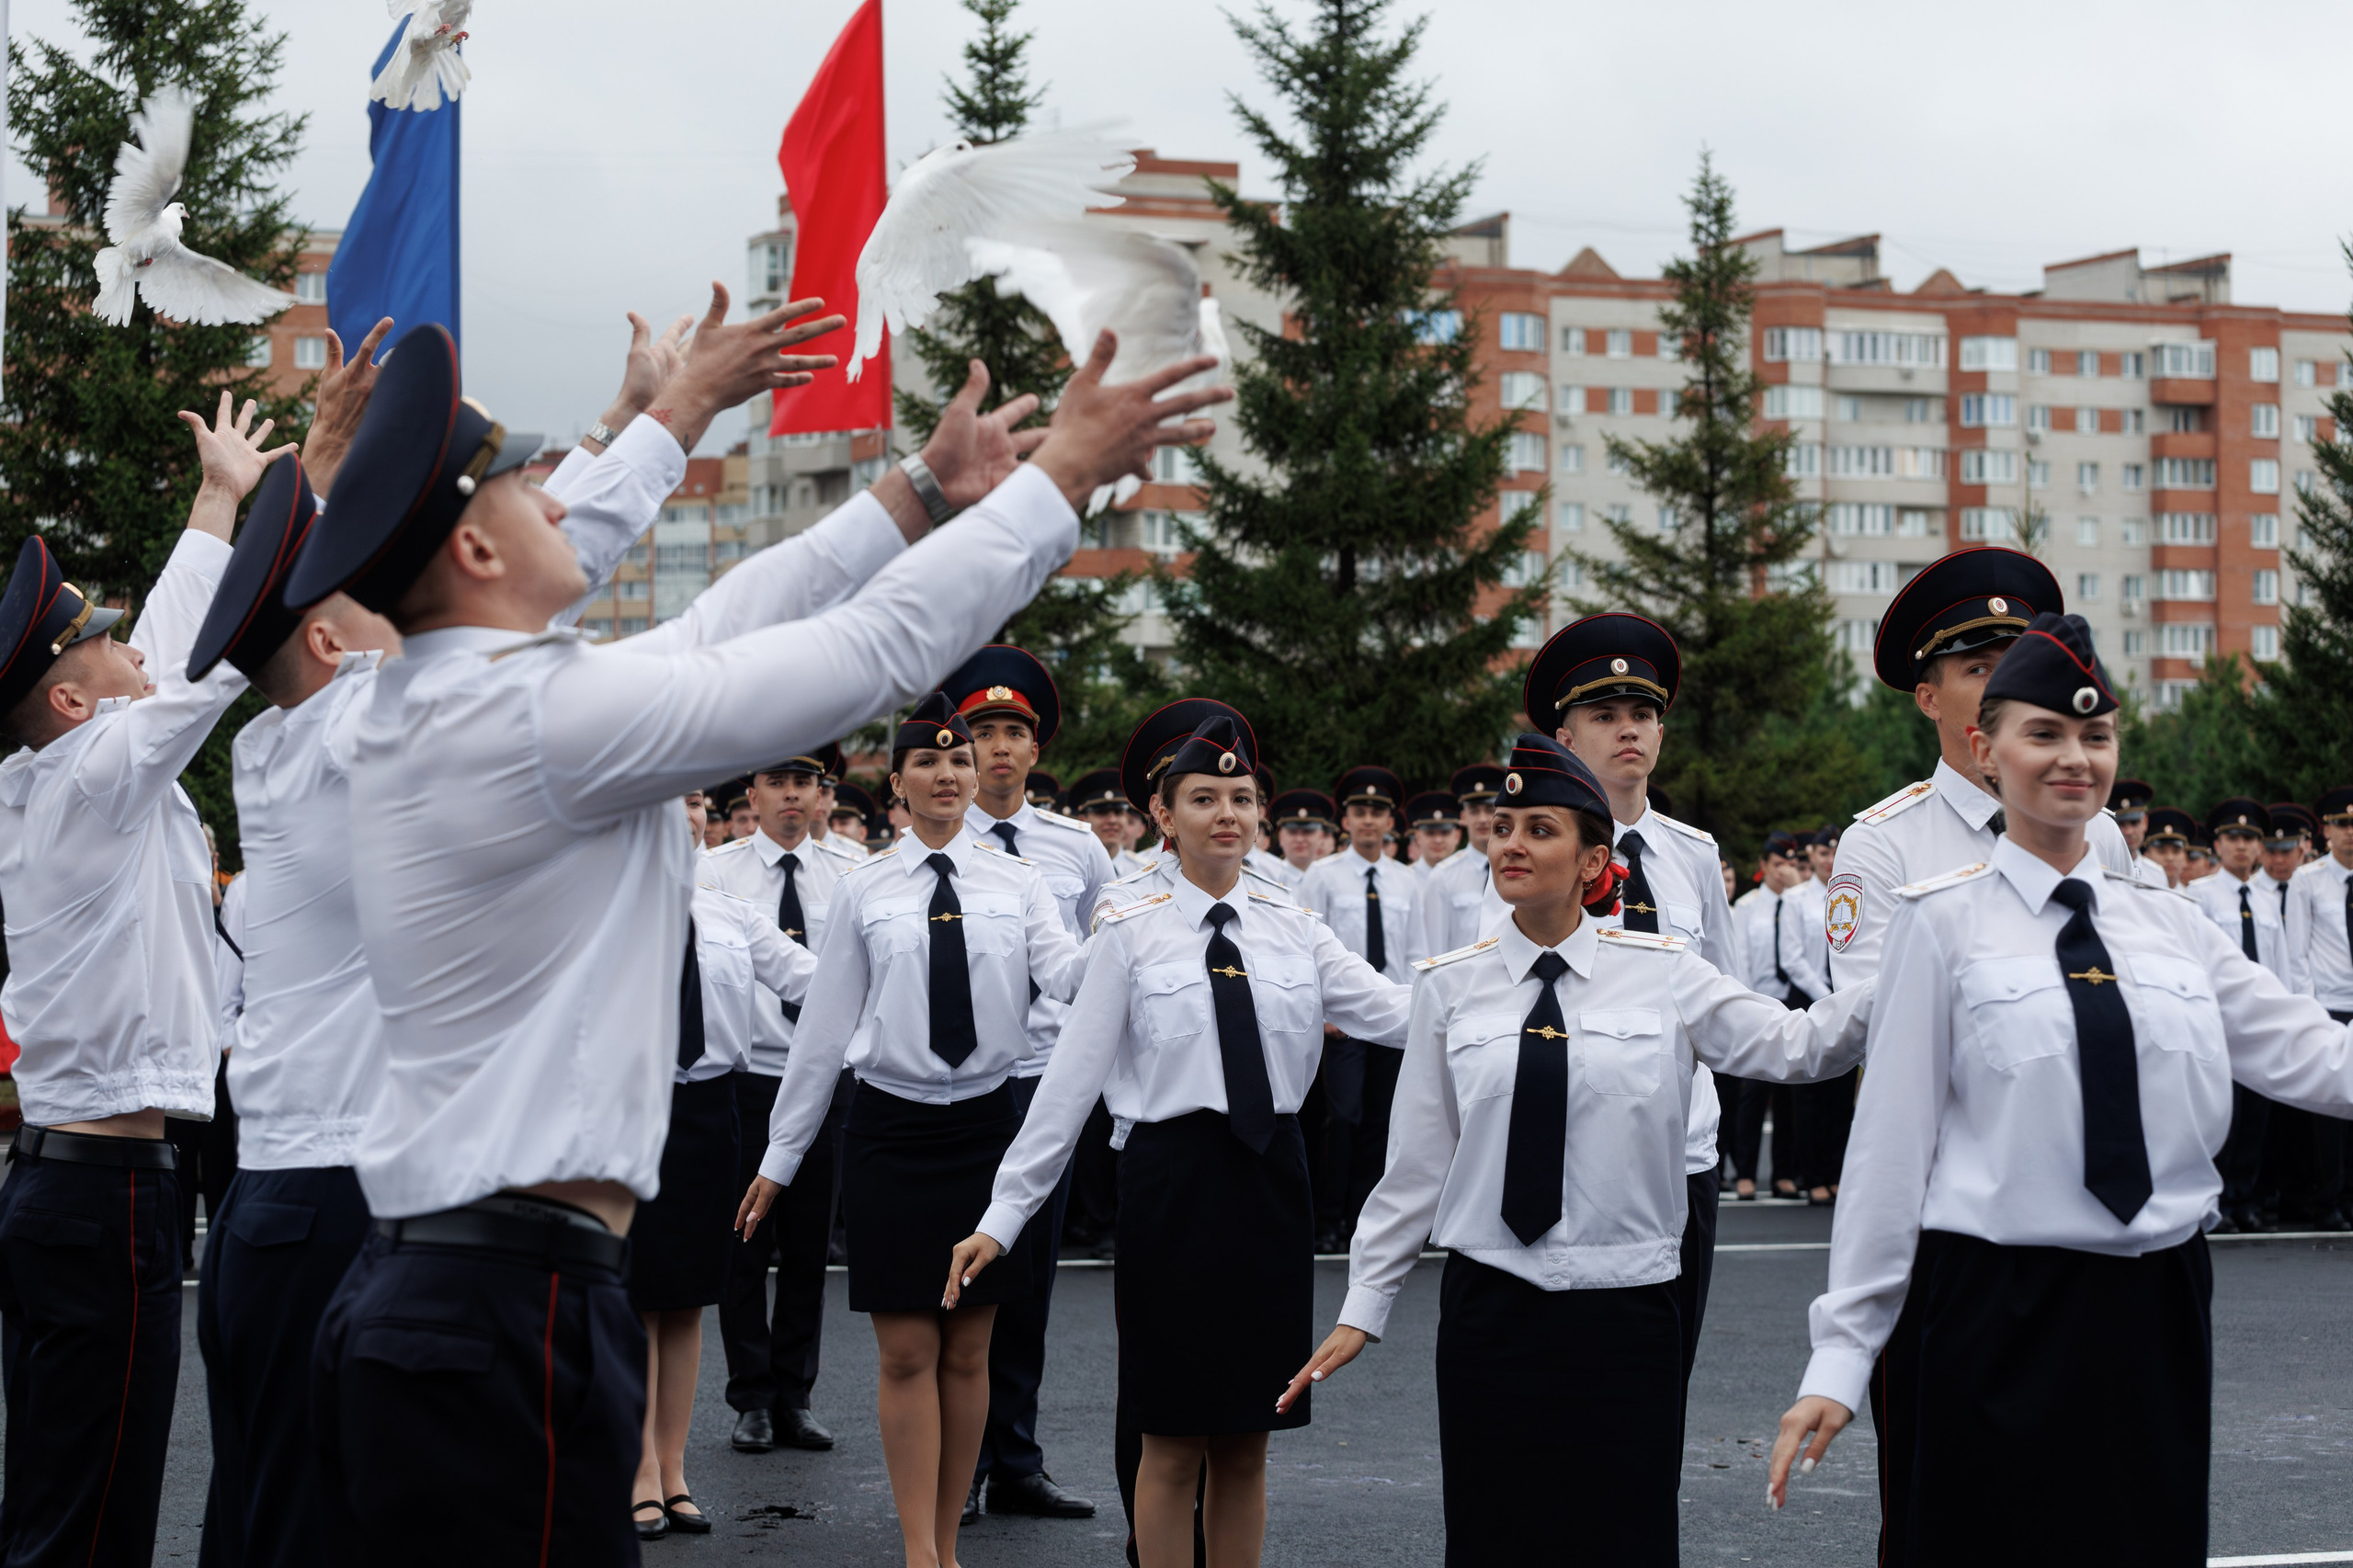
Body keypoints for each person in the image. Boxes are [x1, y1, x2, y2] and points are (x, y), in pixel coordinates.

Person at [295, 298, 1229, 1563]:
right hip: (501, 1299)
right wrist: (1062, 475)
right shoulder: (531, 718)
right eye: (529, 492)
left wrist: (919, 489)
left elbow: (725, 622)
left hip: (460, 1280)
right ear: (473, 553)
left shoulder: (447, 700)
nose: (565, 505)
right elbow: (867, 648)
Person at [188, 307, 695, 1567]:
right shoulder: (357, 731)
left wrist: (617, 428)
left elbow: (493, 561)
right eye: (355, 597)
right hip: (332, 1207)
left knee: (267, 1528)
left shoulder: (292, 740)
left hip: (282, 1205)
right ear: (321, 642)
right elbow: (501, 574)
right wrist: (654, 429)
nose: (386, 606)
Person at [1768, 613, 2353, 1565]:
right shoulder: (1941, 924)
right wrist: (1841, 1355)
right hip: (1999, 1306)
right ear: (1983, 747)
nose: (2073, 757)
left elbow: (2317, 1058)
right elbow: (1888, 1151)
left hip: (2156, 1305)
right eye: (2042, 732)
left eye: (2094, 734)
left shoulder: (2170, 927)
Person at [1290, 734, 1874, 1565]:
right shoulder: (1450, 983)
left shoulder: (1667, 971)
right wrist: (1366, 1302)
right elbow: (1418, 1161)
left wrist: (1914, 971)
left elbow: (1795, 1046)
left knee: (1623, 1535)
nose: (1512, 844)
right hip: (1492, 1307)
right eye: (1503, 827)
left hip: (1627, 1306)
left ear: (1594, 856)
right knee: (1496, 1536)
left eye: (1540, 828)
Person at [947, 701, 1412, 1568]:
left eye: (1240, 797)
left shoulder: (1297, 927)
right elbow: (1068, 1085)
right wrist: (1002, 1216)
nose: (1226, 815)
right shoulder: (1129, 929)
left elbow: (1402, 1016)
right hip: (1172, 1186)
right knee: (1170, 1440)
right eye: (1204, 798)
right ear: (1165, 816)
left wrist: (1519, 980)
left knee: (1247, 1438)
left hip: (1273, 1184)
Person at [1805, 549, 2133, 1562]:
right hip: (1953, 1212)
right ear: (1929, 694)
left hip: (2089, 1205)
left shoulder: (2107, 836)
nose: (2003, 674)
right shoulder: (1885, 846)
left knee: (2094, 1496)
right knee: (1946, 1504)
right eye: (1977, 661)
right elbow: (1865, 1018)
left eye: (2018, 652)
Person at [0, 392, 279, 1567]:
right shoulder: (88, 779)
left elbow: (164, 659)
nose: (127, 645)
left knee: (69, 1484)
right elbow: (199, 669)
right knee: (90, 1510)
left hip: (79, 1179)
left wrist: (221, 495)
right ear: (71, 699)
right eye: (99, 640)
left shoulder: (71, 773)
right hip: (103, 1187)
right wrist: (265, 508)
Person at [735, 694, 1086, 1568]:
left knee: (970, 1351)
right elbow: (822, 1033)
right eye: (928, 763)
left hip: (989, 1129)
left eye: (960, 761)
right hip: (890, 1131)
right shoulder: (864, 889)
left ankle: (950, 1550)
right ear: (897, 783)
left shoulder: (1022, 881)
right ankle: (918, 1549)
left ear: (977, 778)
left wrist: (1138, 926)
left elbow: (1072, 978)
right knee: (904, 1353)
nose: (947, 774)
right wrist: (781, 1159)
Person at [1522, 613, 1742, 1393]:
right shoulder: (1535, 854)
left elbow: (1729, 1002)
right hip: (1586, 1149)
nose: (1629, 731)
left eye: (1643, 714)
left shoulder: (1694, 854)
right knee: (1580, 1382)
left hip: (1684, 1153)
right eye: (1605, 715)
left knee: (1665, 1377)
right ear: (1566, 736)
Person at [940, 644, 1106, 1523]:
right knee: (962, 1275)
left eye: (1014, 732)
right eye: (981, 733)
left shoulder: (1075, 848)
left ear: (1036, 751)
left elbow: (1103, 962)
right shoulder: (933, 842)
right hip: (963, 1084)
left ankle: (1016, 1460)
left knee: (1030, 1282)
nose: (998, 748)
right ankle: (957, 1463)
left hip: (1045, 1081)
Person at [631, 792, 815, 1539]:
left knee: (685, 1302)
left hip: (713, 1114)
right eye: (669, 795)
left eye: (698, 799)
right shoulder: (600, 904)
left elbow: (815, 981)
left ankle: (673, 1470)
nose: (686, 810)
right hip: (630, 1113)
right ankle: (636, 1467)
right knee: (633, 1301)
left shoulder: (729, 910)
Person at [699, 744, 865, 1456]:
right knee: (743, 1244)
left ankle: (796, 1394)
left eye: (805, 781)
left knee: (806, 1247)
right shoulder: (714, 872)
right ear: (753, 792)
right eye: (778, 781)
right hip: (747, 1077)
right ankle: (751, 1398)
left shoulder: (857, 873)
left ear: (823, 793)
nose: (792, 794)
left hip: (824, 1079)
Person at [1299, 765, 1424, 1250]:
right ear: (1345, 820)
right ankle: (1330, 1218)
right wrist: (1322, 1013)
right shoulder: (1323, 875)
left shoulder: (1408, 881)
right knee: (1343, 1118)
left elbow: (1419, 952)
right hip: (1344, 1024)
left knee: (1382, 1122)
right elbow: (1305, 947)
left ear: (1390, 819)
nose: (1368, 820)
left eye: (1377, 811)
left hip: (1395, 1019)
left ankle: (1366, 1219)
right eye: (1359, 810)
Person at [2192, 800, 2299, 1233]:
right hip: (2219, 1021)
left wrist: (2287, 1012)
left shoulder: (2268, 900)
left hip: (2260, 1021)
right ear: (2217, 843)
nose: (2242, 846)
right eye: (2234, 838)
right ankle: (2216, 1201)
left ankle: (2246, 1199)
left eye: (2251, 838)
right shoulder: (2198, 896)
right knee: (2223, 1116)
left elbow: (2281, 962)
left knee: (2256, 1118)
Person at [1726, 832, 1810, 1200]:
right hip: (1758, 1003)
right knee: (1753, 1094)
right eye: (1778, 864)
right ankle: (1745, 1172)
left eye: (1790, 864)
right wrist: (1746, 1006)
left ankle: (1784, 1173)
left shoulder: (1801, 903)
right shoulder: (1747, 906)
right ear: (1763, 866)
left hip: (1792, 1003)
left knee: (1790, 1094)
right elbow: (1739, 958)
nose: (1784, 871)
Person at [1417, 766, 1505, 957]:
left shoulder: (1518, 869)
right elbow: (1435, 952)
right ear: (1463, 817)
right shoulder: (1443, 876)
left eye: (1489, 809)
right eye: (1474, 811)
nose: (1482, 819)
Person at [2110, 778, 2169, 889]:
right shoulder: (2100, 868)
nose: (2128, 831)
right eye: (2121, 824)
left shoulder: (2156, 875)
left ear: (2145, 822)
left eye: (2134, 823)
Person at [1404, 791, 1463, 884]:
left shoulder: (1471, 878)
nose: (1438, 840)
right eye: (1430, 833)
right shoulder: (1403, 880)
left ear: (1457, 836)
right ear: (1418, 836)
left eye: (1445, 833)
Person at [2144, 807, 2195, 888]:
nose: (2170, 858)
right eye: (2161, 851)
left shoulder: (2191, 898)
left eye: (2176, 851)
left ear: (2185, 857)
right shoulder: (2135, 895)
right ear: (2146, 855)